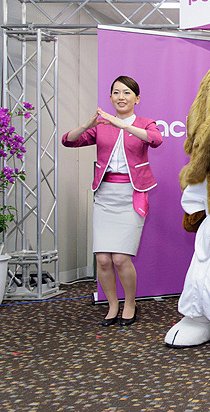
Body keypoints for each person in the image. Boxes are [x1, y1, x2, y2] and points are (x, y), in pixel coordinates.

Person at [62, 76, 163, 326]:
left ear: (136, 98)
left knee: (120, 258)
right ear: (110, 98)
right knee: (103, 259)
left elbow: (156, 140)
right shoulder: (101, 126)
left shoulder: (144, 123)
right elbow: (69, 140)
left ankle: (130, 303)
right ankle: (111, 305)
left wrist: (122, 124)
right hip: (104, 196)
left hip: (131, 195)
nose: (121, 97)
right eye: (116, 92)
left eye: (127, 93)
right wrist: (88, 123)